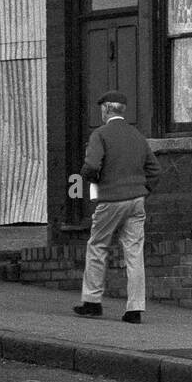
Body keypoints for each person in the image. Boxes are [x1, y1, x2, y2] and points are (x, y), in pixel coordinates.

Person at [74, 91, 161, 324]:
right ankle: (135, 309)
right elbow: (155, 170)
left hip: (111, 199)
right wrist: (143, 190)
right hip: (137, 200)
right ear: (122, 110)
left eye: (101, 109)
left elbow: (92, 165)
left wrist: (91, 178)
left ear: (105, 110)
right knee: (134, 253)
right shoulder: (137, 136)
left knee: (97, 246)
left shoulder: (100, 134)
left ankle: (92, 302)